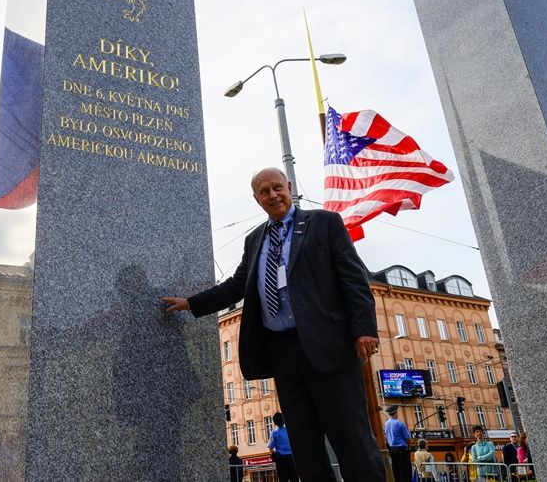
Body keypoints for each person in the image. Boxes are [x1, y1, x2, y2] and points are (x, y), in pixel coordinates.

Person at [162, 167, 385, 482]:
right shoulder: (255, 239)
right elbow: (237, 284)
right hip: (283, 352)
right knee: (305, 443)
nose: (273, 195)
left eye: (277, 188)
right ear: (257, 200)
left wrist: (364, 329)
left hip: (329, 347)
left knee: (352, 438)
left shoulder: (324, 223)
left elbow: (354, 279)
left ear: (289, 187)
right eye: (264, 192)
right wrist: (192, 303)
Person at [383, 405, 412, 482]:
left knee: (396, 472)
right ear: (396, 413)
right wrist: (409, 448)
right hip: (402, 450)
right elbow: (408, 438)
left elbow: (386, 437)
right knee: (405, 472)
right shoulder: (400, 424)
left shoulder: (386, 424)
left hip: (392, 450)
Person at [267, 412, 296, 482]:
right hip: (291, 457)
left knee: (283, 478)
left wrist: (273, 453)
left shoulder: (274, 432)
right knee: (294, 477)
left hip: (281, 458)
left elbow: (270, 445)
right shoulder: (288, 429)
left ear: (275, 422)